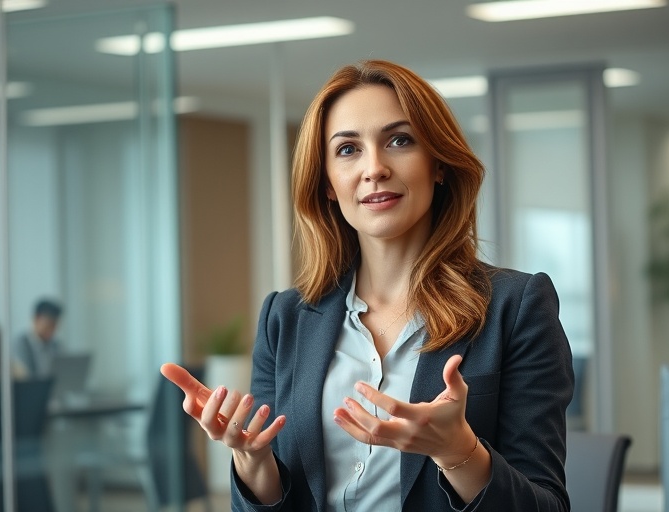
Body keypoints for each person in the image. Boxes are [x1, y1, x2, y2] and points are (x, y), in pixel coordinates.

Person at [162, 59, 574, 511]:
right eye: (347, 149)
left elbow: (546, 506)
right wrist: (252, 459)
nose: (374, 168)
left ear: (438, 164)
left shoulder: (516, 307)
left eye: (399, 140)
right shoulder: (285, 318)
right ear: (328, 186)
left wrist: (460, 452)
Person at [14, 298, 63, 378]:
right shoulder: (21, 344)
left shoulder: (56, 346)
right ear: (36, 319)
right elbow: (25, 376)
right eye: (49, 324)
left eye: (55, 325)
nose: (52, 329)